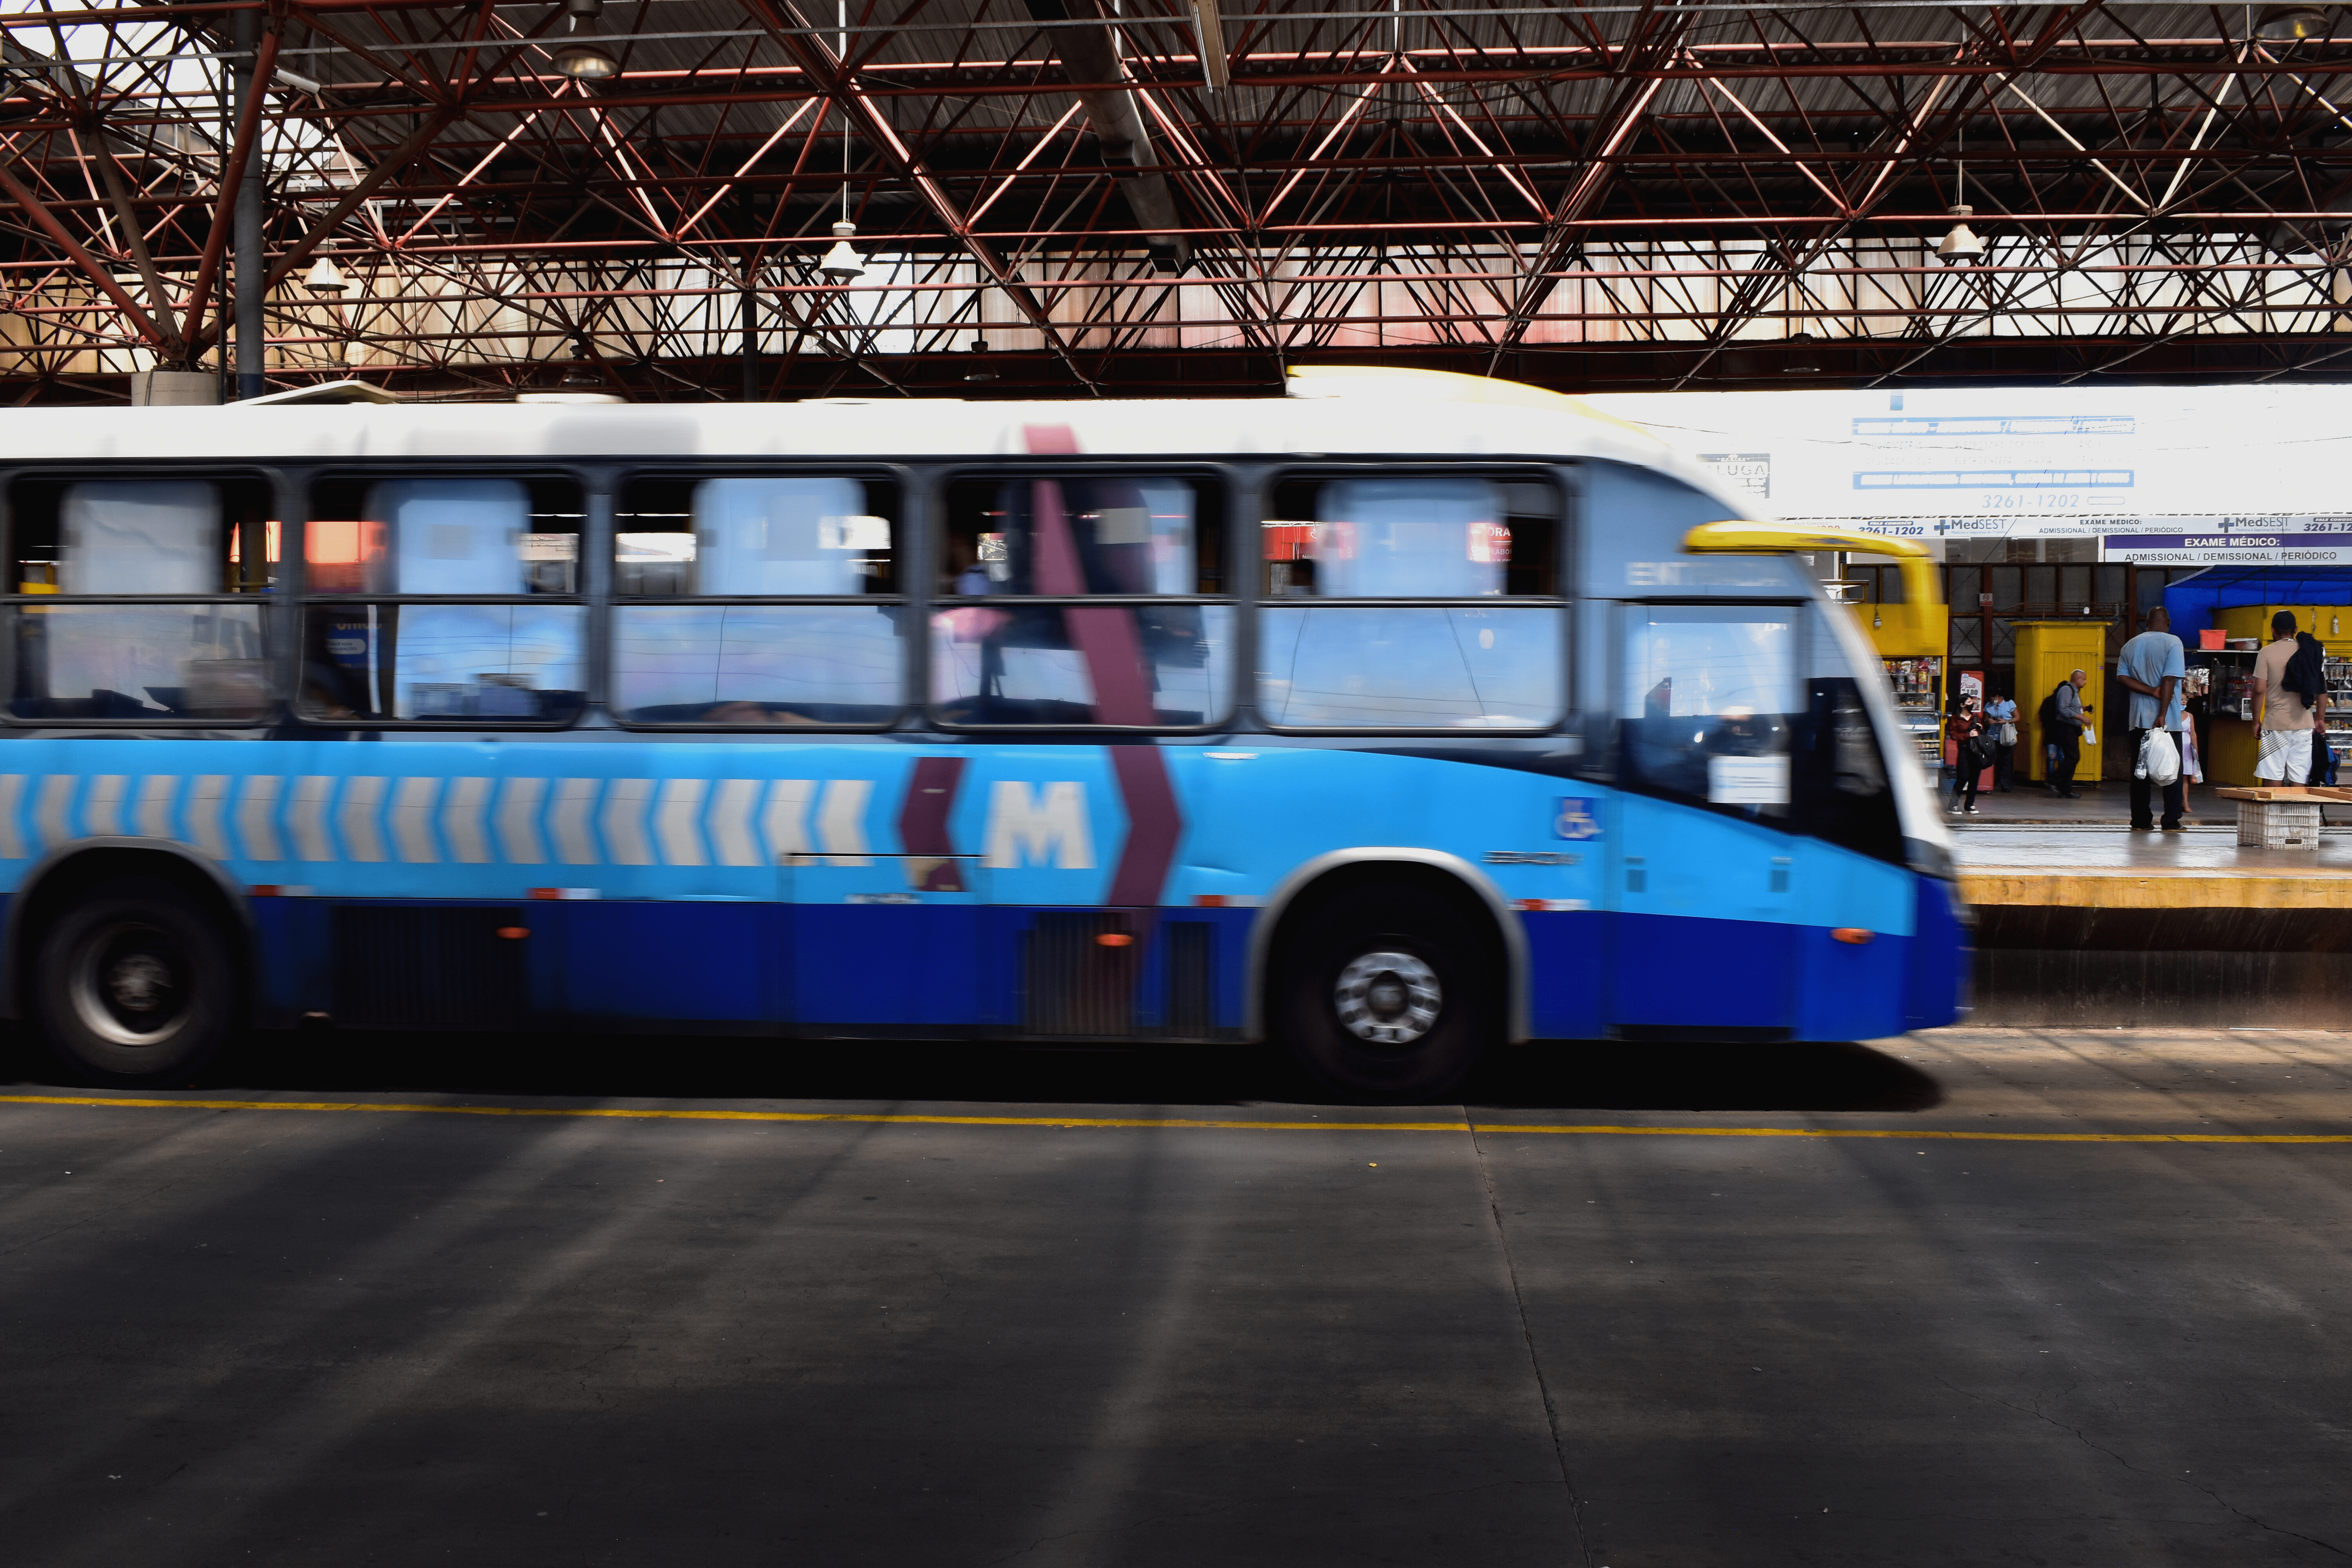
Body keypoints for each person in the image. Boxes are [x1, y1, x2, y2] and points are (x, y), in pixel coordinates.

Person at [2117, 606, 2187, 830]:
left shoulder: (2130, 645)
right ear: (2167, 622)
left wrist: (2149, 691)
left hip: (2138, 720)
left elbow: (2122, 678)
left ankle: (2140, 821)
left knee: (2140, 772)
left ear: (2146, 623)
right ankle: (2171, 821)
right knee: (2172, 769)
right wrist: (2163, 713)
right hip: (2168, 721)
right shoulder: (2173, 642)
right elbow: (2169, 679)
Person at [2253, 610, 2328, 784]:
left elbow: (2259, 690)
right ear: (2295, 630)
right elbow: (2322, 690)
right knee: (2300, 775)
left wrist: (2256, 721)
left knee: (2273, 774)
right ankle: (2298, 811)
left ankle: (2274, 812)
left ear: (2273, 630)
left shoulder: (2266, 653)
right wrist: (2320, 719)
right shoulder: (2310, 651)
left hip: (2275, 724)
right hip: (2304, 725)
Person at [2041, 669, 2087, 798]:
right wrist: (2081, 718)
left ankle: (2066, 789)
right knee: (2073, 757)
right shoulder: (2067, 690)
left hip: (2071, 728)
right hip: (2066, 728)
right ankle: (2054, 780)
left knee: (2071, 758)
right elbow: (2064, 710)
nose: (2086, 682)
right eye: (2084, 679)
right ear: (2077, 679)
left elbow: (2072, 708)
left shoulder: (2075, 692)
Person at [1948, 695, 1989, 815]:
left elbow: (1983, 733)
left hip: (1976, 750)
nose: (1972, 704)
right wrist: (1967, 735)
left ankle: (1970, 804)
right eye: (1969, 702)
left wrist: (1981, 729)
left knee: (1975, 778)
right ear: (1962, 705)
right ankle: (1952, 805)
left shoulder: (1976, 717)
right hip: (1964, 749)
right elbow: (1954, 736)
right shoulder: (1956, 718)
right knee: (1963, 777)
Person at [1984, 689, 2018, 792]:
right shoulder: (1988, 706)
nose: (1990, 701)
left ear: (1997, 696)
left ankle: (2006, 785)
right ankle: (1991, 783)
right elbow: (1985, 720)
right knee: (1993, 759)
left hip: (2007, 735)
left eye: (1991, 699)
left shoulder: (2009, 703)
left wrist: (2006, 721)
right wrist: (1989, 722)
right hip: (1993, 736)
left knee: (2006, 760)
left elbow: (2017, 717)